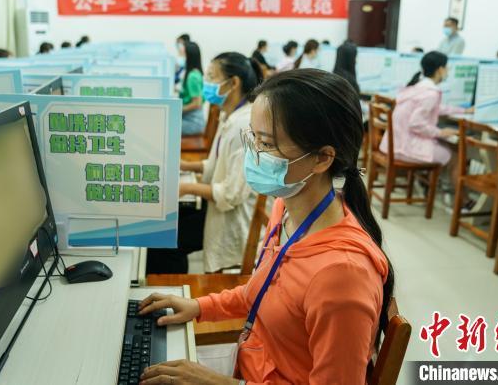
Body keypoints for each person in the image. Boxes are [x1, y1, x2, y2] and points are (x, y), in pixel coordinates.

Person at [139, 69, 393, 384]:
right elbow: (263, 289)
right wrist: (199, 306)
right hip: (251, 363)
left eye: (267, 144)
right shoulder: (285, 209)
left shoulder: (342, 277)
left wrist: (218, 383)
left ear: (322, 158)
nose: (254, 154)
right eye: (254, 138)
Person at [148, 53, 263, 274]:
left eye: (211, 77)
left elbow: (231, 194)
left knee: (163, 244)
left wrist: (186, 188)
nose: (206, 84)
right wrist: (185, 165)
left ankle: (171, 289)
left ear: (233, 83)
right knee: (164, 228)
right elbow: (217, 164)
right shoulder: (229, 116)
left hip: (230, 218)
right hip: (216, 207)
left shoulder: (244, 126)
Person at [381, 51, 471, 180]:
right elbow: (416, 124)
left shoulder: (418, 87)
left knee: (449, 146)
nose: (448, 70)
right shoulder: (430, 93)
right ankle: (456, 193)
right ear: (440, 70)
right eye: (447, 67)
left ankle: (431, 182)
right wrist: (440, 132)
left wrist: (463, 111)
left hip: (394, 145)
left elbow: (435, 108)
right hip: (405, 149)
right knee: (457, 157)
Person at [180, 41, 206, 136]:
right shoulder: (194, 73)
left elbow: (197, 103)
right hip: (191, 117)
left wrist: (178, 109)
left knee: (166, 127)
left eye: (182, 54)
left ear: (189, 56)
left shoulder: (192, 77)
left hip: (193, 121)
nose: (180, 57)